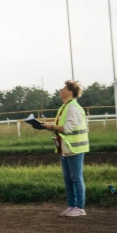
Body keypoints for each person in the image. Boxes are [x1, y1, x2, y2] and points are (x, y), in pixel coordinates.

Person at [42, 80, 89, 217]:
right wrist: (47, 126)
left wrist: (50, 127)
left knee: (76, 177)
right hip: (66, 147)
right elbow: (62, 126)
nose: (60, 90)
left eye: (63, 88)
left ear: (69, 92)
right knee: (68, 179)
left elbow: (67, 129)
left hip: (74, 147)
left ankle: (79, 208)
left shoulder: (72, 108)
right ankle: (71, 205)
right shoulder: (65, 107)